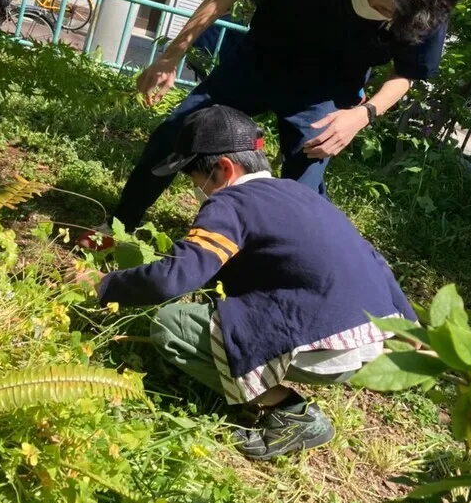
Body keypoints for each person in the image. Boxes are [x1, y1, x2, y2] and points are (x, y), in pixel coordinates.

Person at [83, 0, 464, 241]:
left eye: (390, 15)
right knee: (177, 131)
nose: (380, 15)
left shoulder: (426, 3)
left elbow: (406, 74)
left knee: (302, 190)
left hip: (329, 89)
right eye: (378, 1)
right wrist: (170, 56)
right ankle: (119, 224)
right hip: (260, 59)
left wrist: (362, 115)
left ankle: (274, 272)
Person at [90, 105, 416, 460]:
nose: (196, 189)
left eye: (195, 180)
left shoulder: (231, 202)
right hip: (374, 338)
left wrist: (105, 285)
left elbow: (175, 277)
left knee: (172, 326)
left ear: (225, 169)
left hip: (325, 339)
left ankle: (288, 410)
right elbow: (372, 260)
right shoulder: (303, 194)